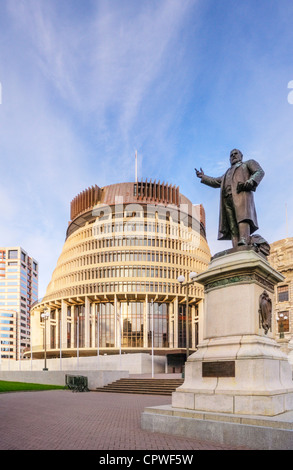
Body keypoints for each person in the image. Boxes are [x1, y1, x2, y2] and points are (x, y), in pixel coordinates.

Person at [195, 149, 264, 248]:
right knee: (232, 224)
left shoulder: (248, 163)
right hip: (227, 200)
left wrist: (251, 181)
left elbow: (259, 171)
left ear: (241, 156)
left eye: (236, 154)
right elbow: (216, 181)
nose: (233, 156)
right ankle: (235, 245)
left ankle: (244, 239)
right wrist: (203, 176)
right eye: (231, 155)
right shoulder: (227, 173)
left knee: (242, 218)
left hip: (241, 195)